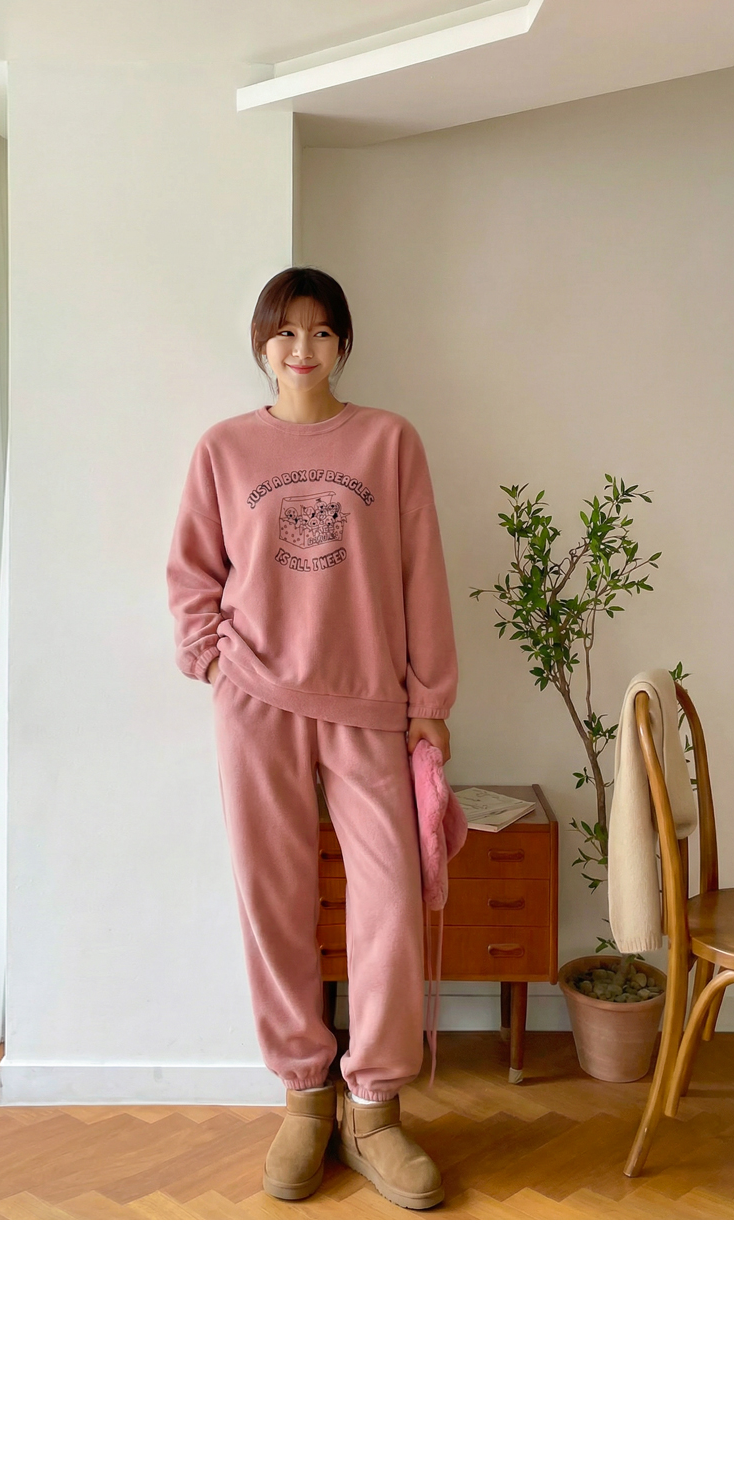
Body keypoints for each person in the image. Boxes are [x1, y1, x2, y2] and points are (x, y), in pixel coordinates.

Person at [166, 266, 458, 1211]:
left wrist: (429, 699)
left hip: (369, 702)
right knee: (273, 896)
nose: (303, 349)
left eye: (321, 332)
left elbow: (421, 571)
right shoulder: (224, 448)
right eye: (285, 332)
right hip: (255, 697)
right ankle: (303, 1096)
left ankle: (374, 1109)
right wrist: (211, 658)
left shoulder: (388, 441)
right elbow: (192, 571)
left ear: (342, 346)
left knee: (389, 905)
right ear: (262, 344)